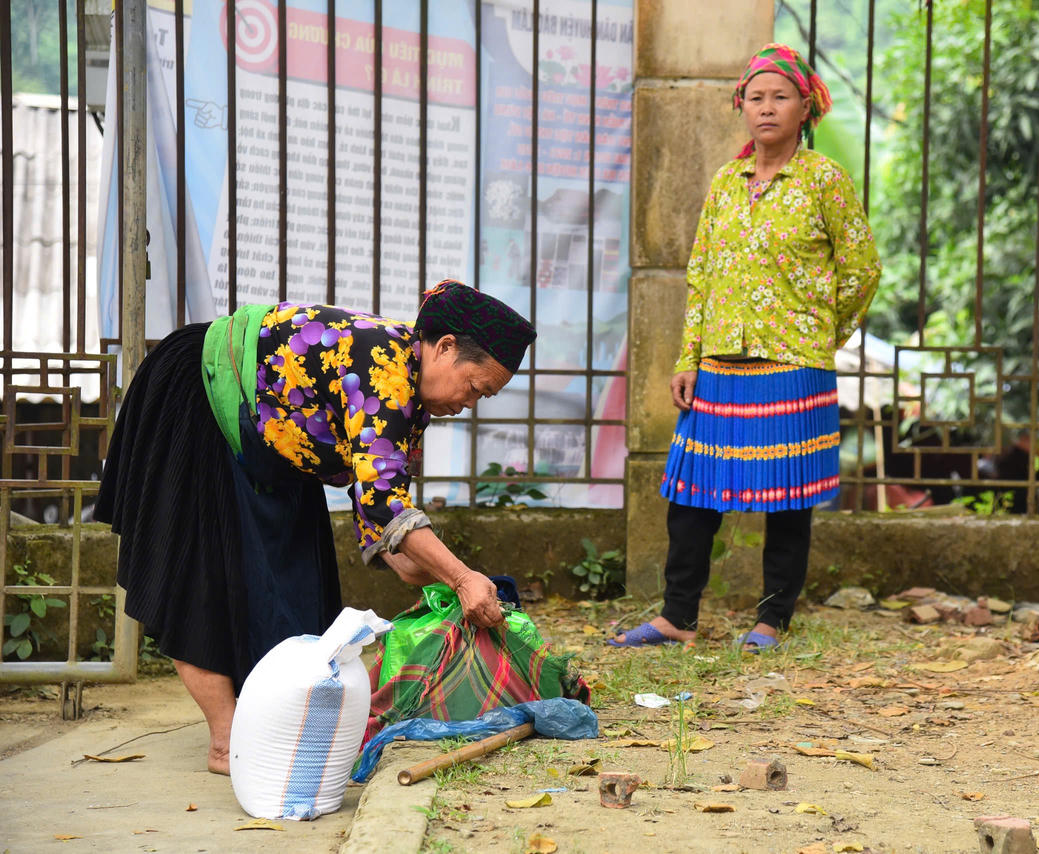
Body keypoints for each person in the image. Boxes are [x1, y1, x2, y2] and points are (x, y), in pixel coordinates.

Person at [95, 279, 535, 773]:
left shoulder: (412, 405)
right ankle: (229, 742)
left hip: (276, 442)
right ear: (445, 348)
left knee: (298, 595)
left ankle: (273, 728)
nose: (470, 403)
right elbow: (388, 508)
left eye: (483, 397)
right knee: (202, 581)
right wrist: (461, 577)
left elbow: (382, 517)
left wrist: (448, 587)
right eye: (474, 387)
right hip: (202, 394)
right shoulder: (384, 369)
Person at [610, 43, 881, 651]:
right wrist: (687, 359)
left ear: (804, 106)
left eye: (779, 97)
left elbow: (862, 268)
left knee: (787, 498)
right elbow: (701, 274)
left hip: (792, 367)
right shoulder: (726, 183)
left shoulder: (823, 180)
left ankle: (771, 620)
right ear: (741, 105)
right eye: (756, 97)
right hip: (718, 367)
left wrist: (820, 334)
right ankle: (677, 617)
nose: (766, 108)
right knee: (692, 494)